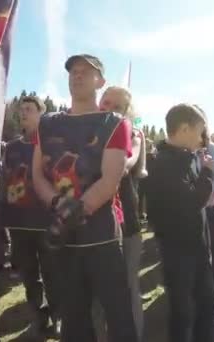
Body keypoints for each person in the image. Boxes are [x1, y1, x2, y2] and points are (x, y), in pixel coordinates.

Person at [31, 54, 137, 341]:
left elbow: (111, 179)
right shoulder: (48, 123)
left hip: (101, 235)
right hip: (63, 237)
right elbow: (38, 174)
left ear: (100, 81)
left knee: (119, 316)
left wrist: (75, 209)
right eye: (73, 71)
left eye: (85, 72)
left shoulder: (113, 123)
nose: (77, 76)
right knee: (74, 319)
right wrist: (57, 204)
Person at [145, 103, 214, 341]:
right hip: (178, 249)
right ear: (185, 129)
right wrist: (207, 173)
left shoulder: (183, 158)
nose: (202, 138)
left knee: (206, 304)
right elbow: (190, 202)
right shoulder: (164, 163)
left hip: (195, 246)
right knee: (183, 312)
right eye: (199, 131)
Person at [1, 96, 61, 337]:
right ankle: (39, 315)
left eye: (29, 109)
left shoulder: (51, 145)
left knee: (52, 274)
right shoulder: (11, 148)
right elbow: (5, 180)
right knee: (29, 276)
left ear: (41, 113)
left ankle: (58, 317)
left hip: (45, 222)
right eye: (21, 110)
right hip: (18, 224)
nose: (24, 113)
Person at [97, 86, 146, 340]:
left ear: (126, 111)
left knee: (128, 288)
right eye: (105, 102)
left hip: (126, 224)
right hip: (94, 226)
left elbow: (127, 161)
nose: (108, 108)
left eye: (116, 106)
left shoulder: (133, 133)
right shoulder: (88, 132)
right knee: (96, 295)